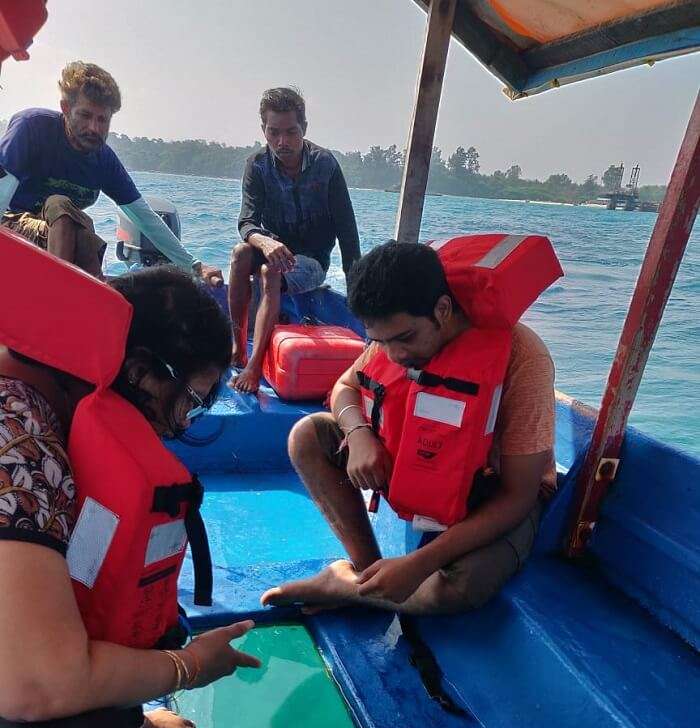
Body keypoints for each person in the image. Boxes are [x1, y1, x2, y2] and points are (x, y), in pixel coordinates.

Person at [0, 258, 260, 728]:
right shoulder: (22, 440)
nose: (182, 425)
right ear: (142, 371)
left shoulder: (31, 398)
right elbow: (37, 682)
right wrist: (187, 666)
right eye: (192, 401)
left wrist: (129, 711)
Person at [262, 239, 557, 615]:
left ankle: (346, 586)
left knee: (458, 590)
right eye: (380, 342)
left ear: (443, 309)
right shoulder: (393, 334)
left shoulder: (522, 356)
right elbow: (344, 388)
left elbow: (519, 495)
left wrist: (420, 564)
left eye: (405, 339)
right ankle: (370, 571)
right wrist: (359, 435)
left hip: (489, 492)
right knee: (307, 437)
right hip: (417, 460)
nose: (395, 355)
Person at [0, 60, 222, 282]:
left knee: (84, 234)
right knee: (60, 204)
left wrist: (194, 266)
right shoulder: (32, 127)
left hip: (68, 239)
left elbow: (144, 217)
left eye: (102, 119)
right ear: (66, 108)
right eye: (85, 116)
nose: (94, 128)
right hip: (12, 228)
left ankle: (89, 305)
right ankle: (57, 297)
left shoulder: (103, 160)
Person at [229, 87, 361, 393]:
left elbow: (347, 230)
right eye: (273, 132)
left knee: (268, 272)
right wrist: (264, 242)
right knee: (240, 254)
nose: (282, 142)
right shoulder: (257, 165)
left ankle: (253, 366)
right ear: (263, 129)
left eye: (291, 132)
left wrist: (357, 291)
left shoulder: (325, 165)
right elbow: (246, 221)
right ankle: (239, 347)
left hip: (310, 260)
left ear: (304, 128)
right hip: (272, 248)